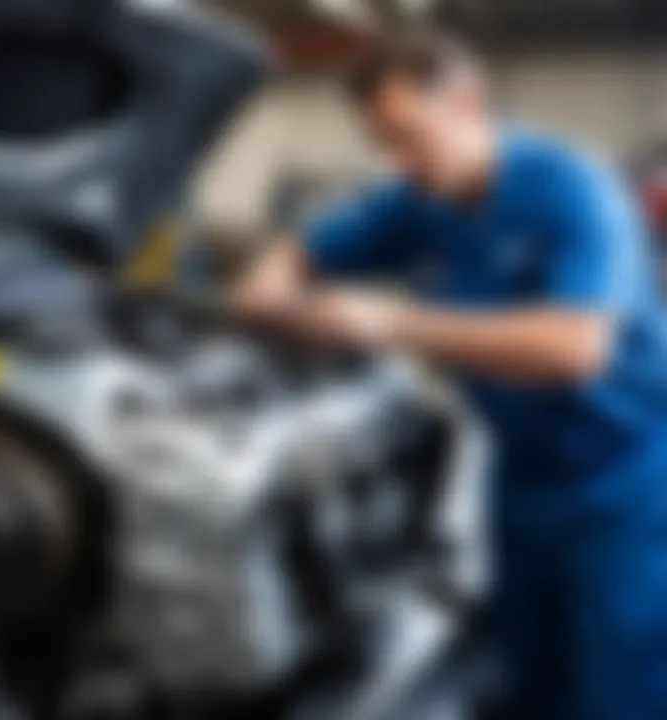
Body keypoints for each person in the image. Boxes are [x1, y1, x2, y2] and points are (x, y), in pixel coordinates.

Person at [235, 31, 667, 720]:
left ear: (466, 103)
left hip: (628, 480)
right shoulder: (416, 198)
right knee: (526, 668)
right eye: (381, 142)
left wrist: (390, 323)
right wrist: (272, 283)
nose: (398, 162)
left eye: (409, 135)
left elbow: (573, 350)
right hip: (521, 475)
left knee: (616, 686)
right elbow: (302, 248)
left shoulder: (574, 189)